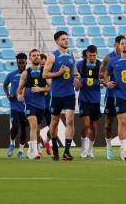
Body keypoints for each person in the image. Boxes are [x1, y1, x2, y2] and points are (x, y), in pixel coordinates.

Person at [43, 31, 79, 161]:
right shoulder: (52, 57)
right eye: (63, 39)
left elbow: (75, 72)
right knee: (55, 122)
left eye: (67, 39)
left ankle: (67, 151)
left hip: (69, 93)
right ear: (57, 41)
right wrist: (58, 73)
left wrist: (76, 78)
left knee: (70, 120)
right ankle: (54, 146)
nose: (66, 41)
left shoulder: (71, 55)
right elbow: (45, 75)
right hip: (57, 94)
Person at [17, 49, 50, 159]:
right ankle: (35, 152)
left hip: (41, 105)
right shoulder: (25, 73)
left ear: (40, 58)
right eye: (33, 55)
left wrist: (41, 89)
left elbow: (52, 88)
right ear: (30, 58)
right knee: (33, 125)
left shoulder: (44, 73)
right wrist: (19, 96)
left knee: (37, 129)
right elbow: (19, 90)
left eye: (38, 55)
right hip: (29, 103)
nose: (36, 57)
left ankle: (31, 150)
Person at [100, 35, 123, 160]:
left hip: (124, 95)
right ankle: (109, 147)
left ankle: (123, 148)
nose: (122, 46)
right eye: (120, 44)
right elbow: (101, 74)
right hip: (111, 95)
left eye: (124, 44)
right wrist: (106, 82)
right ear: (115, 45)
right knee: (108, 123)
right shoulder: (109, 58)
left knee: (123, 122)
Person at [76, 45, 102, 158]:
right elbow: (76, 80)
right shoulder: (80, 65)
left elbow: (104, 79)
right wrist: (80, 82)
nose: (92, 57)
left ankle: (90, 149)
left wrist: (99, 82)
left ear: (96, 54)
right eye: (90, 55)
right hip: (84, 98)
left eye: (94, 55)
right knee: (86, 125)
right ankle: (83, 148)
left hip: (96, 99)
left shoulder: (100, 65)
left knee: (94, 125)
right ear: (86, 54)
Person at [4, 53, 28, 158]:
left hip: (26, 106)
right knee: (15, 126)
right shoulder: (11, 75)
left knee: (23, 129)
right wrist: (8, 94)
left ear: (26, 62)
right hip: (14, 105)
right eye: (19, 63)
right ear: (17, 63)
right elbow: (5, 85)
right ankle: (12, 144)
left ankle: (21, 151)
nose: (21, 65)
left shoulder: (30, 75)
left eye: (23, 62)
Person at [39, 53, 54, 156]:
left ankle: (47, 142)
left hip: (48, 104)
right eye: (41, 65)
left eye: (44, 65)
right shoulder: (34, 74)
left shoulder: (49, 75)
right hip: (37, 104)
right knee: (36, 126)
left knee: (52, 127)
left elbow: (52, 87)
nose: (43, 67)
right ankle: (37, 150)